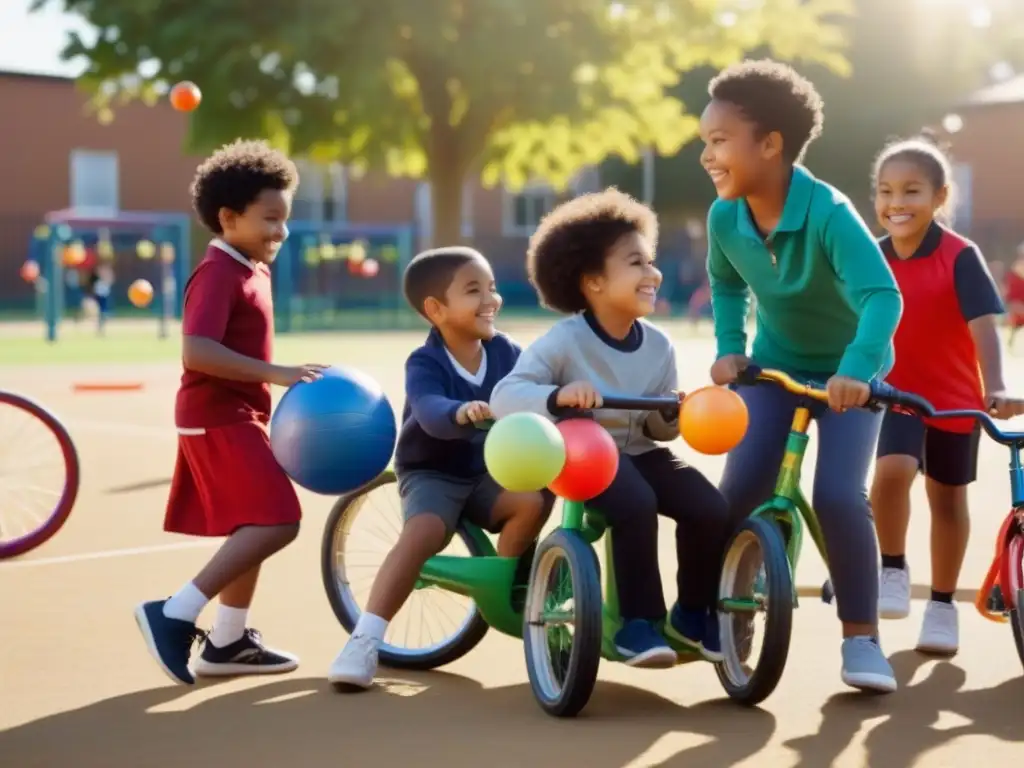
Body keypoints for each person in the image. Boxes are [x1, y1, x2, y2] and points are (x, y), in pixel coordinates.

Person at [699, 59, 903, 693]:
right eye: (703, 142)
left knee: (840, 496)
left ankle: (862, 638)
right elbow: (727, 282)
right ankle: (730, 620)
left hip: (851, 375)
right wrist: (731, 348)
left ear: (771, 144)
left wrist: (854, 372)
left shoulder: (829, 214)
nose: (706, 156)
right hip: (776, 370)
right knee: (740, 490)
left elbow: (882, 297)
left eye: (718, 141)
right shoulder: (724, 218)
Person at [490, 189, 731, 668]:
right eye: (636, 263)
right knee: (634, 502)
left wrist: (669, 415)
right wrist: (558, 398)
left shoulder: (659, 346)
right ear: (594, 281)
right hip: (582, 456)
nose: (653, 273)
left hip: (640, 453)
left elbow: (660, 431)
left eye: (651, 260)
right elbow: (505, 394)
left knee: (710, 507)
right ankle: (638, 624)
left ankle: (691, 613)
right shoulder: (565, 341)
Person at [134, 139, 326, 685]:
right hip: (215, 415)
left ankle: (228, 641)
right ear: (228, 217)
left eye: (284, 220)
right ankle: (174, 612)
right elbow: (197, 350)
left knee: (254, 519)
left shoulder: (250, 267)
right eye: (270, 219)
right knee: (277, 519)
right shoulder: (218, 272)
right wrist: (280, 374)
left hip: (241, 413)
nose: (280, 232)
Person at [328, 246, 551, 689]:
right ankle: (365, 638)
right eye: (474, 290)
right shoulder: (425, 362)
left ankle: (503, 591)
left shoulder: (507, 352)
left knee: (533, 499)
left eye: (491, 288)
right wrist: (458, 411)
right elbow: (429, 411)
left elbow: (539, 387)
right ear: (436, 309)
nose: (491, 299)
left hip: (488, 471)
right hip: (434, 471)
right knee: (426, 531)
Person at [870, 133, 1024, 655]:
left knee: (947, 499)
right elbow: (853, 322)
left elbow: (984, 327)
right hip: (895, 392)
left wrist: (996, 385)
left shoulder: (961, 256)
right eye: (885, 191)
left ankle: (940, 606)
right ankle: (892, 567)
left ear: (940, 198)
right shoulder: (871, 258)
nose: (896, 203)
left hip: (956, 398)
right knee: (890, 474)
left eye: (911, 191)